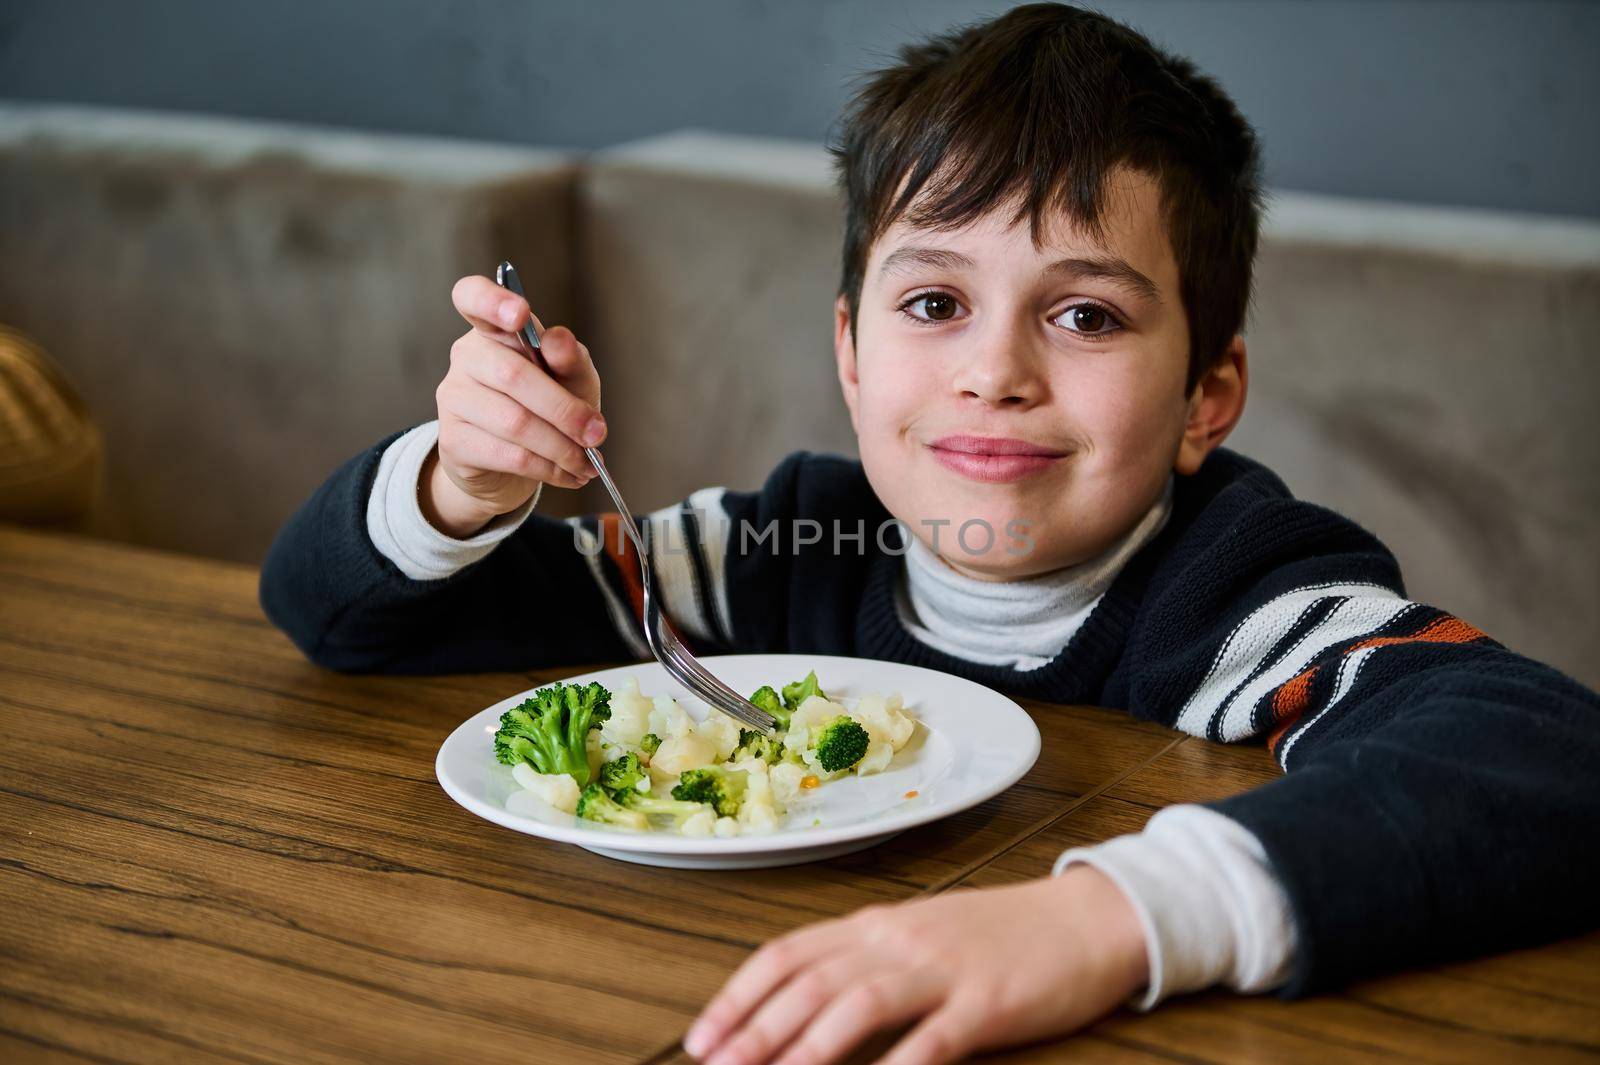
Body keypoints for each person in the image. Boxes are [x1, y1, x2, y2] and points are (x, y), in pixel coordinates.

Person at [258, 5, 1600, 1063]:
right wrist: (463, 487)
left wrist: (1102, 920)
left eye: (1085, 315)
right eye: (934, 302)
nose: (994, 371)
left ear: (1208, 398)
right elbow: (342, 616)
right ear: (850, 351)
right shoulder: (778, 550)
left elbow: (1544, 755)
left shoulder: (1239, 596)